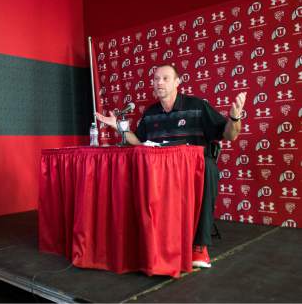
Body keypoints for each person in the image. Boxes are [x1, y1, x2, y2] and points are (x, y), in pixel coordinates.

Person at [96, 64, 246, 268]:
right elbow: (139, 142)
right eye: (156, 79)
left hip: (193, 170)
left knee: (209, 168)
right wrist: (119, 128)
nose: (159, 82)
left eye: (165, 78)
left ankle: (199, 247)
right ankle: (143, 241)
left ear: (177, 82)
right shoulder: (150, 113)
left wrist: (235, 118)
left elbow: (230, 134)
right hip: (160, 173)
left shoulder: (198, 106)